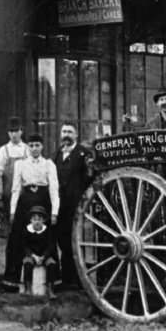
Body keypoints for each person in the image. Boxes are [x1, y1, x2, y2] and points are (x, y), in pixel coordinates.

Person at [4, 134, 59, 290]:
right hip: (25, 202)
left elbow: (54, 189)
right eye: (32, 145)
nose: (34, 148)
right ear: (28, 147)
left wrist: (54, 212)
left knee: (46, 236)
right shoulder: (20, 164)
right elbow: (15, 188)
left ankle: (50, 282)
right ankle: (15, 280)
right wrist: (13, 210)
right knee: (18, 237)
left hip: (43, 201)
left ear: (42, 147)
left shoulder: (49, 164)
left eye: (37, 145)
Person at [53, 121, 91, 288]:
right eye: (64, 132)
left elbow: (89, 178)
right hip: (60, 205)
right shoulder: (57, 154)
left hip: (76, 205)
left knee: (75, 240)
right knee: (62, 240)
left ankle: (78, 279)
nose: (66, 135)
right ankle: (66, 278)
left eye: (70, 132)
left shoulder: (83, 154)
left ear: (76, 135)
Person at [0, 116, 28, 235]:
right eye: (11, 131)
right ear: (8, 133)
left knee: (24, 219)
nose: (14, 134)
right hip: (8, 191)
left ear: (21, 132)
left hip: (24, 190)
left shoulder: (26, 149)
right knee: (10, 221)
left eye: (16, 131)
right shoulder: (4, 150)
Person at [21, 205, 58, 297]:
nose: (37, 222)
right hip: (32, 255)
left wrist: (43, 256)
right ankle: (28, 288)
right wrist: (33, 256)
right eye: (34, 219)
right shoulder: (27, 230)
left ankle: (50, 289)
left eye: (39, 219)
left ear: (43, 220)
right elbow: (25, 246)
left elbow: (50, 246)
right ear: (31, 220)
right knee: (27, 263)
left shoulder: (47, 231)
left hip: (43, 255)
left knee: (51, 264)